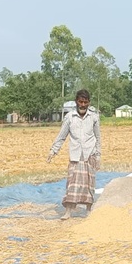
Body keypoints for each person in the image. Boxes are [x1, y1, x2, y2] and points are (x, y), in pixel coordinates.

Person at [47, 89, 101, 220]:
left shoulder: (93, 117)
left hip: (90, 154)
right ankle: (68, 212)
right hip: (75, 155)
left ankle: (88, 210)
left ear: (89, 102)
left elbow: (98, 137)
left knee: (89, 184)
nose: (82, 105)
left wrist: (98, 156)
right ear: (76, 101)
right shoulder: (70, 117)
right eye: (80, 102)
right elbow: (62, 136)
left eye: (85, 102)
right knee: (72, 183)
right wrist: (53, 150)